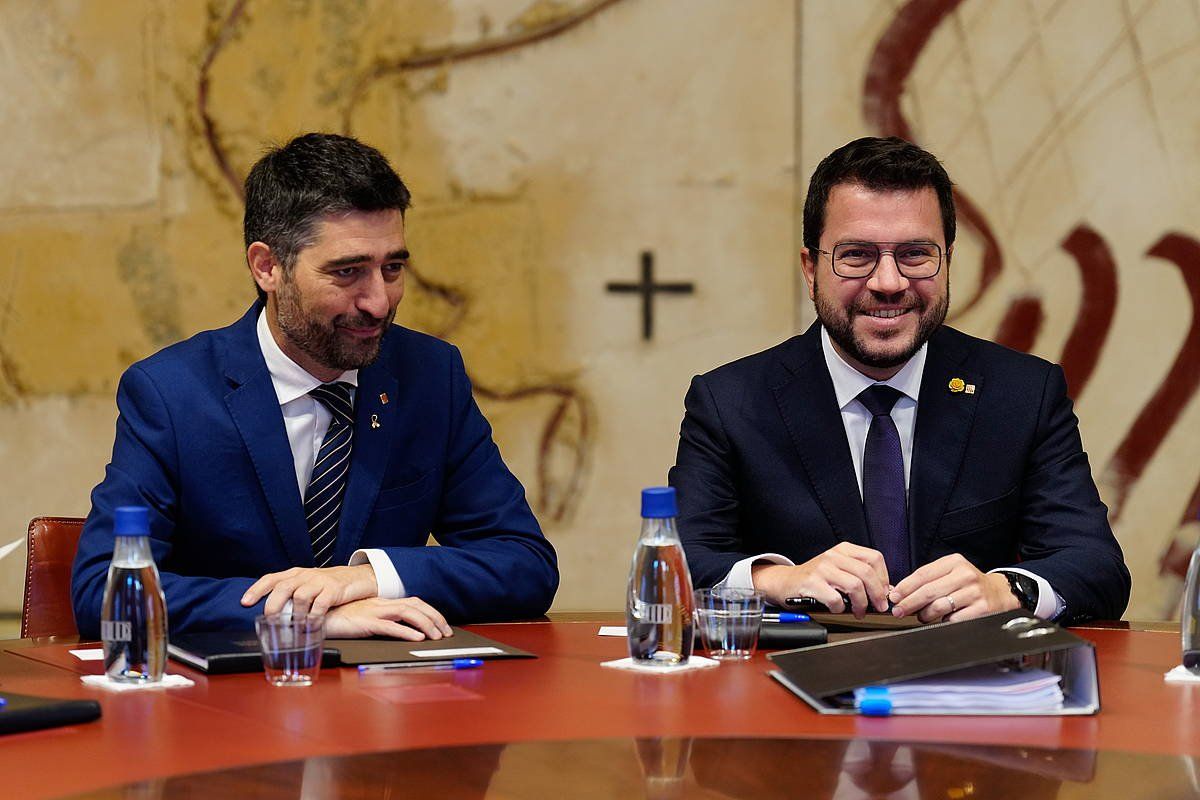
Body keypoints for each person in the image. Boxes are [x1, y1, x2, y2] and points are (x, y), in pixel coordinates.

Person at [72, 133, 558, 639]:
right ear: (267, 267)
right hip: (229, 700)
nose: (378, 302)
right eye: (347, 273)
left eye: (392, 268)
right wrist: (305, 617)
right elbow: (103, 590)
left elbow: (523, 563)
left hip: (391, 702)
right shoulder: (172, 394)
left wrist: (370, 578)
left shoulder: (430, 376)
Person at [669, 136, 1129, 625]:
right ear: (811, 269)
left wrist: (1003, 588)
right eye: (856, 255)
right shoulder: (730, 402)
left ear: (948, 260)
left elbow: (1097, 567)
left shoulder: (1022, 395)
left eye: (915, 254)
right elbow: (676, 564)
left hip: (971, 685)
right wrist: (779, 580)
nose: (888, 282)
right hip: (788, 686)